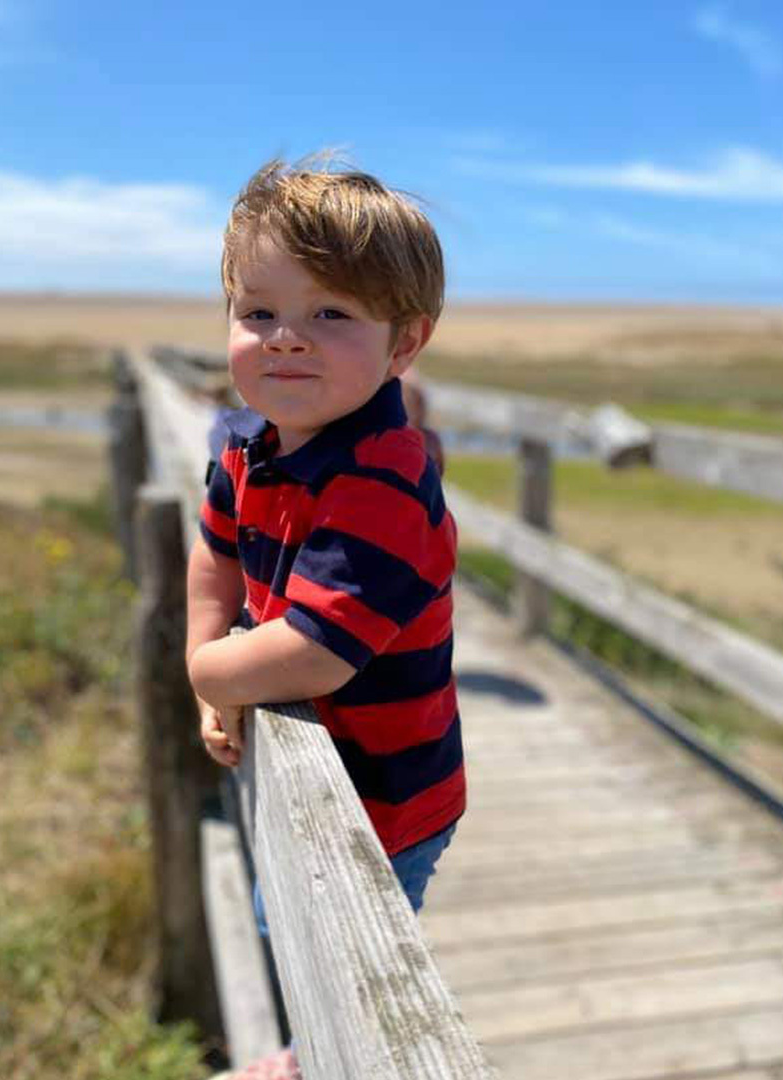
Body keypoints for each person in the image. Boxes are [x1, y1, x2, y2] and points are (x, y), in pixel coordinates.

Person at [186, 159, 463, 1080]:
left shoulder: (385, 476)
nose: (285, 340)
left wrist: (210, 675)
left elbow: (315, 654)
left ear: (405, 342)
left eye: (331, 315)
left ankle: (317, 1055)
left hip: (389, 798)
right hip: (305, 759)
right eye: (258, 313)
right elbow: (215, 557)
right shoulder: (242, 443)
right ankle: (302, 1042)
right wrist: (208, 657)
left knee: (354, 958)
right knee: (278, 905)